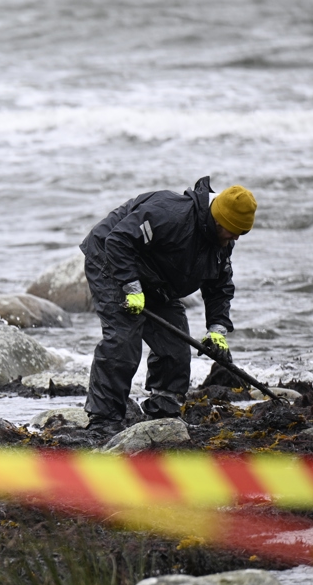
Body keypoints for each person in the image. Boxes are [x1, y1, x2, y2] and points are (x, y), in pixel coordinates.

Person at [79, 177, 256, 437]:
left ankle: (162, 408)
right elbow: (118, 241)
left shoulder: (222, 241)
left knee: (175, 346)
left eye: (240, 234)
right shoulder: (170, 214)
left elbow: (219, 287)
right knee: (123, 340)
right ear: (217, 219)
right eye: (231, 231)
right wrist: (131, 287)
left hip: (156, 278)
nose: (234, 239)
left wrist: (217, 330)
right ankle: (103, 419)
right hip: (111, 262)